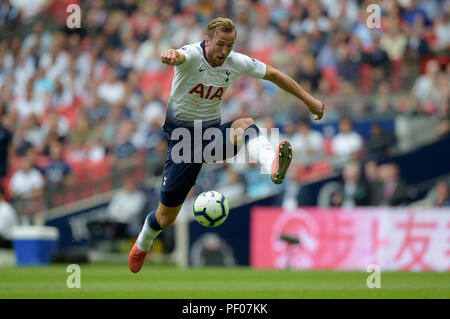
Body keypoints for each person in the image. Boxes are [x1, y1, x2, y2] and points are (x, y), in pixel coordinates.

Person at [129, 17, 324, 273]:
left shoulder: (235, 62)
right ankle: (143, 243)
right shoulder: (192, 55)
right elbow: (179, 55)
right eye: (220, 44)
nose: (224, 51)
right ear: (207, 40)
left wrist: (309, 100)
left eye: (230, 45)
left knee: (245, 124)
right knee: (165, 218)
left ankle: (273, 166)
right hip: (183, 144)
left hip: (211, 138)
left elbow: (274, 74)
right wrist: (170, 55)